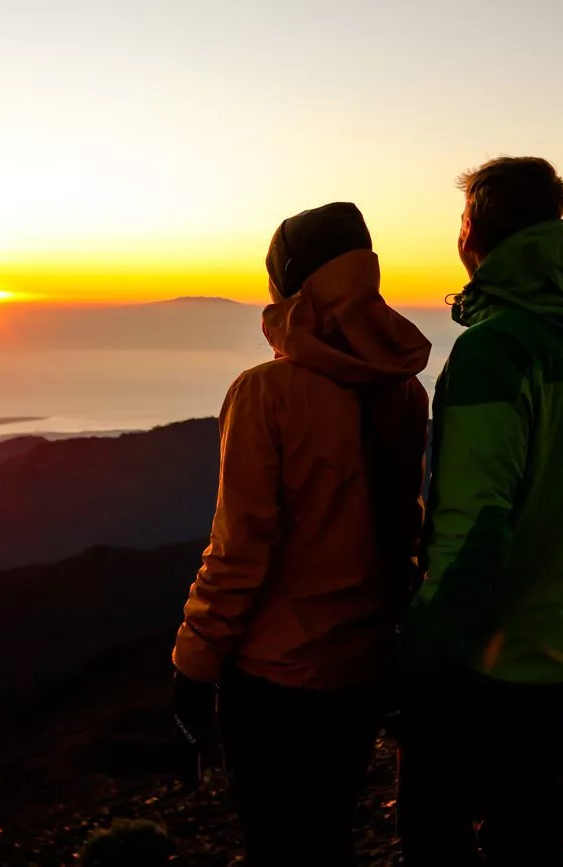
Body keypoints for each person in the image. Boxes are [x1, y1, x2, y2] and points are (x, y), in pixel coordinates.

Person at [399, 157, 563, 867]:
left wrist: (425, 653)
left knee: (436, 831)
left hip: (488, 660)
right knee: (533, 837)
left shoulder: (492, 352)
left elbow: (473, 529)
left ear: (473, 231)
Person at [172, 202, 431, 866]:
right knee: (330, 836)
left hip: (277, 678)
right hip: (363, 666)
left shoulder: (266, 393)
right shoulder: (403, 391)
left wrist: (194, 663)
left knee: (279, 846)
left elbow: (239, 550)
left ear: (291, 282)